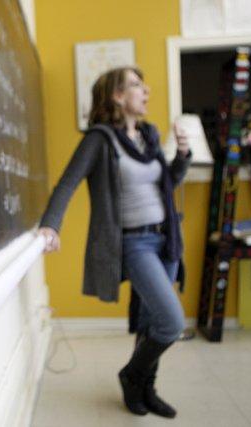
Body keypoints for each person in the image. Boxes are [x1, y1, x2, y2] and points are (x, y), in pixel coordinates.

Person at [38, 66, 191, 418]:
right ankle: (131, 375)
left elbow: (167, 183)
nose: (146, 90)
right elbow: (67, 183)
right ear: (117, 97)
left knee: (154, 321)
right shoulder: (100, 140)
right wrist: (51, 226)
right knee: (172, 322)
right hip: (134, 244)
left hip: (165, 238)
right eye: (136, 85)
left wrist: (181, 157)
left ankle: (145, 388)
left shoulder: (149, 136)